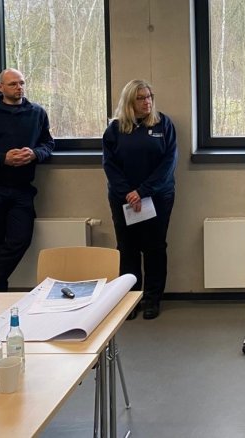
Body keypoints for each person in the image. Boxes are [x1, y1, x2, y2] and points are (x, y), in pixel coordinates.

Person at [0, 68, 54, 292]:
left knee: (20, 240)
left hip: (22, 189)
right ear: (0, 87)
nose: (19, 87)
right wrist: (3, 158)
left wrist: (35, 154)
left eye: (22, 83)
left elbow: (48, 144)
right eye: (13, 84)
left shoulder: (37, 113)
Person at [102, 79, 177, 320]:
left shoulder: (163, 124)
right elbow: (110, 165)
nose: (147, 102)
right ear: (129, 102)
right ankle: (130, 299)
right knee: (127, 248)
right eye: (141, 98)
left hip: (156, 197)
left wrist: (143, 191)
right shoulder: (114, 129)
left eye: (149, 97)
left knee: (154, 247)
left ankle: (152, 299)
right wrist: (128, 192)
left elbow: (168, 164)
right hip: (123, 198)